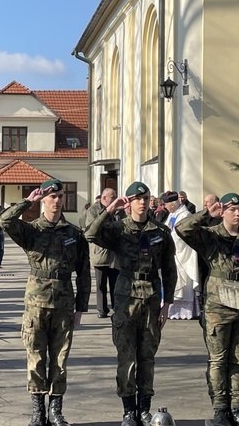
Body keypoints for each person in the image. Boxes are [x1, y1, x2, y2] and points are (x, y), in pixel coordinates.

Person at [84, 181, 177, 426]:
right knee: (126, 356)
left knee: (147, 356)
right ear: (129, 203)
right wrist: (110, 208)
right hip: (126, 298)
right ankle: (128, 410)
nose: (142, 202)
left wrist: (168, 303)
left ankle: (144, 408)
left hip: (152, 299)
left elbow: (169, 269)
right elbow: (91, 233)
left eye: (145, 198)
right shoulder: (119, 229)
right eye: (137, 199)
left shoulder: (160, 231)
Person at [0, 179, 90, 426]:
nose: (57, 200)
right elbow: (4, 221)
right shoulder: (31, 231)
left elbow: (83, 271)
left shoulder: (74, 234)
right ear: (44, 200)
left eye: (60, 196)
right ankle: (38, 411)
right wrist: (28, 201)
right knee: (36, 356)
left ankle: (56, 411)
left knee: (60, 358)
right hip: (36, 304)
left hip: (64, 303)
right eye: (52, 196)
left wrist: (82, 306)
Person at [175, 193, 239, 426]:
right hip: (218, 305)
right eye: (232, 209)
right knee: (218, 359)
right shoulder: (210, 236)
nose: (237, 213)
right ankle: (220, 409)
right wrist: (207, 213)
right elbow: (182, 229)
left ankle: (237, 408)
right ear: (223, 211)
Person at [85, 188, 124, 319]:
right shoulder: (93, 210)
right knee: (101, 284)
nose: (115, 199)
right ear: (104, 198)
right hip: (100, 253)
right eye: (112, 197)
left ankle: (115, 307)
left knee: (115, 283)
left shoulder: (119, 210)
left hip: (115, 254)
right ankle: (102, 309)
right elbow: (92, 229)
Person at [160, 191, 200, 319]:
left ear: (172, 204)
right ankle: (171, 310)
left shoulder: (185, 215)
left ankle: (182, 311)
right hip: (172, 254)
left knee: (181, 285)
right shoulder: (173, 214)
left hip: (181, 255)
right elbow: (166, 229)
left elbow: (180, 237)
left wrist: (169, 243)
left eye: (166, 204)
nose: (165, 207)